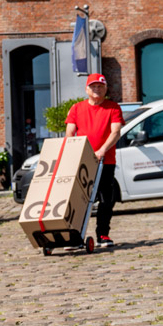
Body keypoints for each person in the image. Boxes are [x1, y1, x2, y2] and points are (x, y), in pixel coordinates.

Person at [64, 74, 124, 248]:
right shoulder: (76, 108)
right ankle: (74, 236)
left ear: (105, 89)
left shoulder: (113, 108)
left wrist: (102, 150)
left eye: (100, 87)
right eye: (93, 87)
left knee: (106, 199)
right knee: (78, 199)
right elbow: (69, 133)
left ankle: (103, 235)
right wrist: (76, 152)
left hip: (106, 161)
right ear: (86, 89)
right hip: (83, 162)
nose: (97, 90)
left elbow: (115, 132)